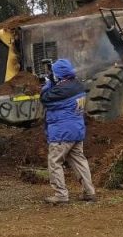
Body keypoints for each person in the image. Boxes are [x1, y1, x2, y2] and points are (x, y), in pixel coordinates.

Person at [40, 58, 96, 204]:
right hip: (77, 130)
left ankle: (61, 195)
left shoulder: (60, 90)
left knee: (55, 162)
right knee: (79, 161)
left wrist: (48, 83)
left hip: (61, 133)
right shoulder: (78, 85)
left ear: (59, 74)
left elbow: (45, 98)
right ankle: (89, 192)